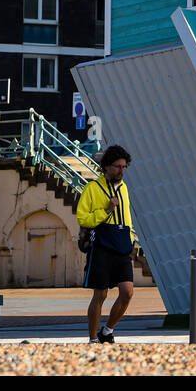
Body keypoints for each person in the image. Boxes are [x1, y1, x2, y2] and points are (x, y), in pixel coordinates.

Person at [76, 145, 136, 344]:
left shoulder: (124, 188)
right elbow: (83, 219)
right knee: (100, 294)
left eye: (124, 167)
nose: (122, 170)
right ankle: (93, 339)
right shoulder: (92, 188)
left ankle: (107, 330)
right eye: (118, 167)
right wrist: (107, 210)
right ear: (107, 167)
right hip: (102, 245)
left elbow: (126, 216)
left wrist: (131, 238)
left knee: (127, 292)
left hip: (122, 244)